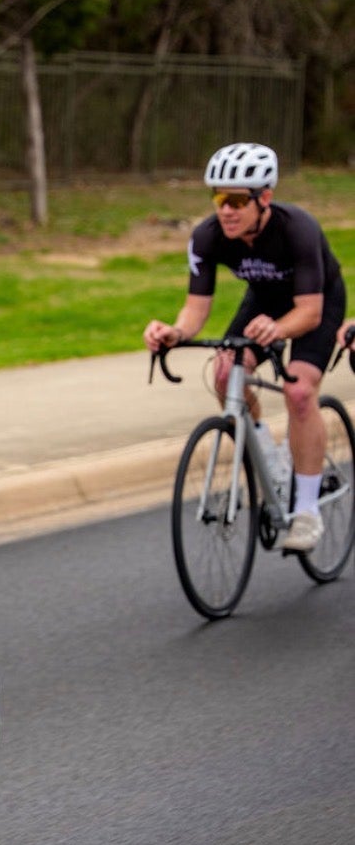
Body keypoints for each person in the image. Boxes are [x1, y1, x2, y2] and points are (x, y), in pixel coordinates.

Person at [142, 142, 347, 552]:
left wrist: (279, 328)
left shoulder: (298, 229)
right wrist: (174, 333)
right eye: (219, 198)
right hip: (264, 303)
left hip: (314, 304)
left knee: (299, 391)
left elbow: (308, 312)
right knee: (224, 372)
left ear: (264, 198)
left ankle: (306, 512)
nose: (226, 210)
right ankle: (271, 463)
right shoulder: (208, 236)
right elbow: (195, 310)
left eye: (237, 200)